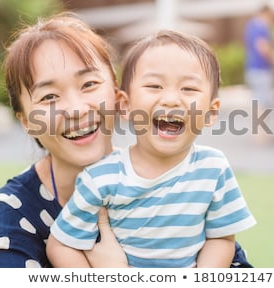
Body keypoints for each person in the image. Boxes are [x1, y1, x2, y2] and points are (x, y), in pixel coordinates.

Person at [0, 12, 253, 268]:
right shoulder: (9, 215)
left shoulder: (185, 185)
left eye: (89, 84)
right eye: (49, 97)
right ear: (26, 121)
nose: (76, 110)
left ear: (118, 93)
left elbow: (224, 252)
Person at [47, 30, 256, 268]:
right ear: (125, 106)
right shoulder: (101, 177)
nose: (170, 99)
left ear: (211, 113)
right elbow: (61, 244)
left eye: (188, 89)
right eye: (154, 86)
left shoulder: (214, 169)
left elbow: (221, 238)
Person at [243, 4, 274, 141]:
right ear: (267, 13)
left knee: (261, 101)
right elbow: (263, 47)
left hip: (254, 69)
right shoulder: (259, 27)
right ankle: (260, 134)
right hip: (260, 70)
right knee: (262, 102)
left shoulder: (251, 26)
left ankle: (260, 133)